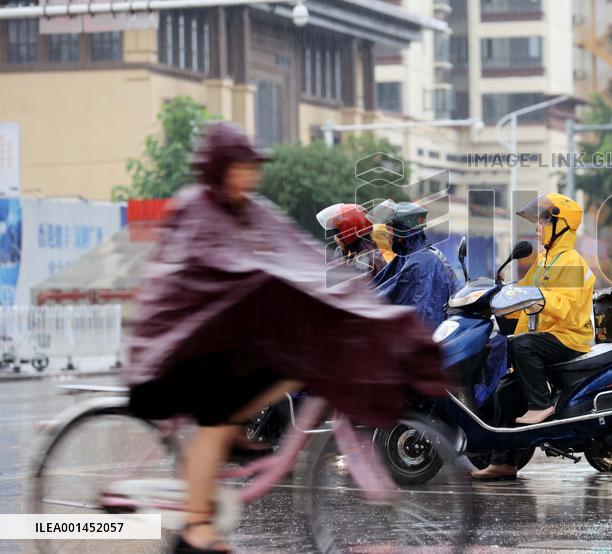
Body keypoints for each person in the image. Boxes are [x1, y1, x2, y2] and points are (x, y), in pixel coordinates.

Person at [126, 123, 449, 553]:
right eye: (240, 168)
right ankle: (196, 527)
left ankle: (230, 445)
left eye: (251, 168)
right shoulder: (199, 210)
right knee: (215, 412)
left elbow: (296, 254)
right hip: (177, 345)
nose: (249, 177)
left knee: (277, 371)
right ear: (220, 169)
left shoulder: (250, 209)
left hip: (216, 341)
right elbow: (234, 271)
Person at [471, 193, 596, 481]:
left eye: (543, 220)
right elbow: (522, 295)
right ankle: (504, 462)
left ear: (561, 224)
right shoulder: (545, 261)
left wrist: (540, 299)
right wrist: (496, 296)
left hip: (568, 338)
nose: (537, 226)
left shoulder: (573, 262)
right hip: (544, 337)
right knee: (504, 389)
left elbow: (569, 307)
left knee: (521, 344)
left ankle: (541, 405)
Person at [371, 201, 457, 329]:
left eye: (389, 229)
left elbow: (420, 314)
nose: (386, 235)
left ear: (401, 233)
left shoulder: (421, 263)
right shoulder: (415, 255)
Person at [315, 202, 386, 278]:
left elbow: (345, 286)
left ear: (349, 234)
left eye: (337, 233)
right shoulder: (360, 254)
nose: (335, 238)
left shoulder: (365, 261)